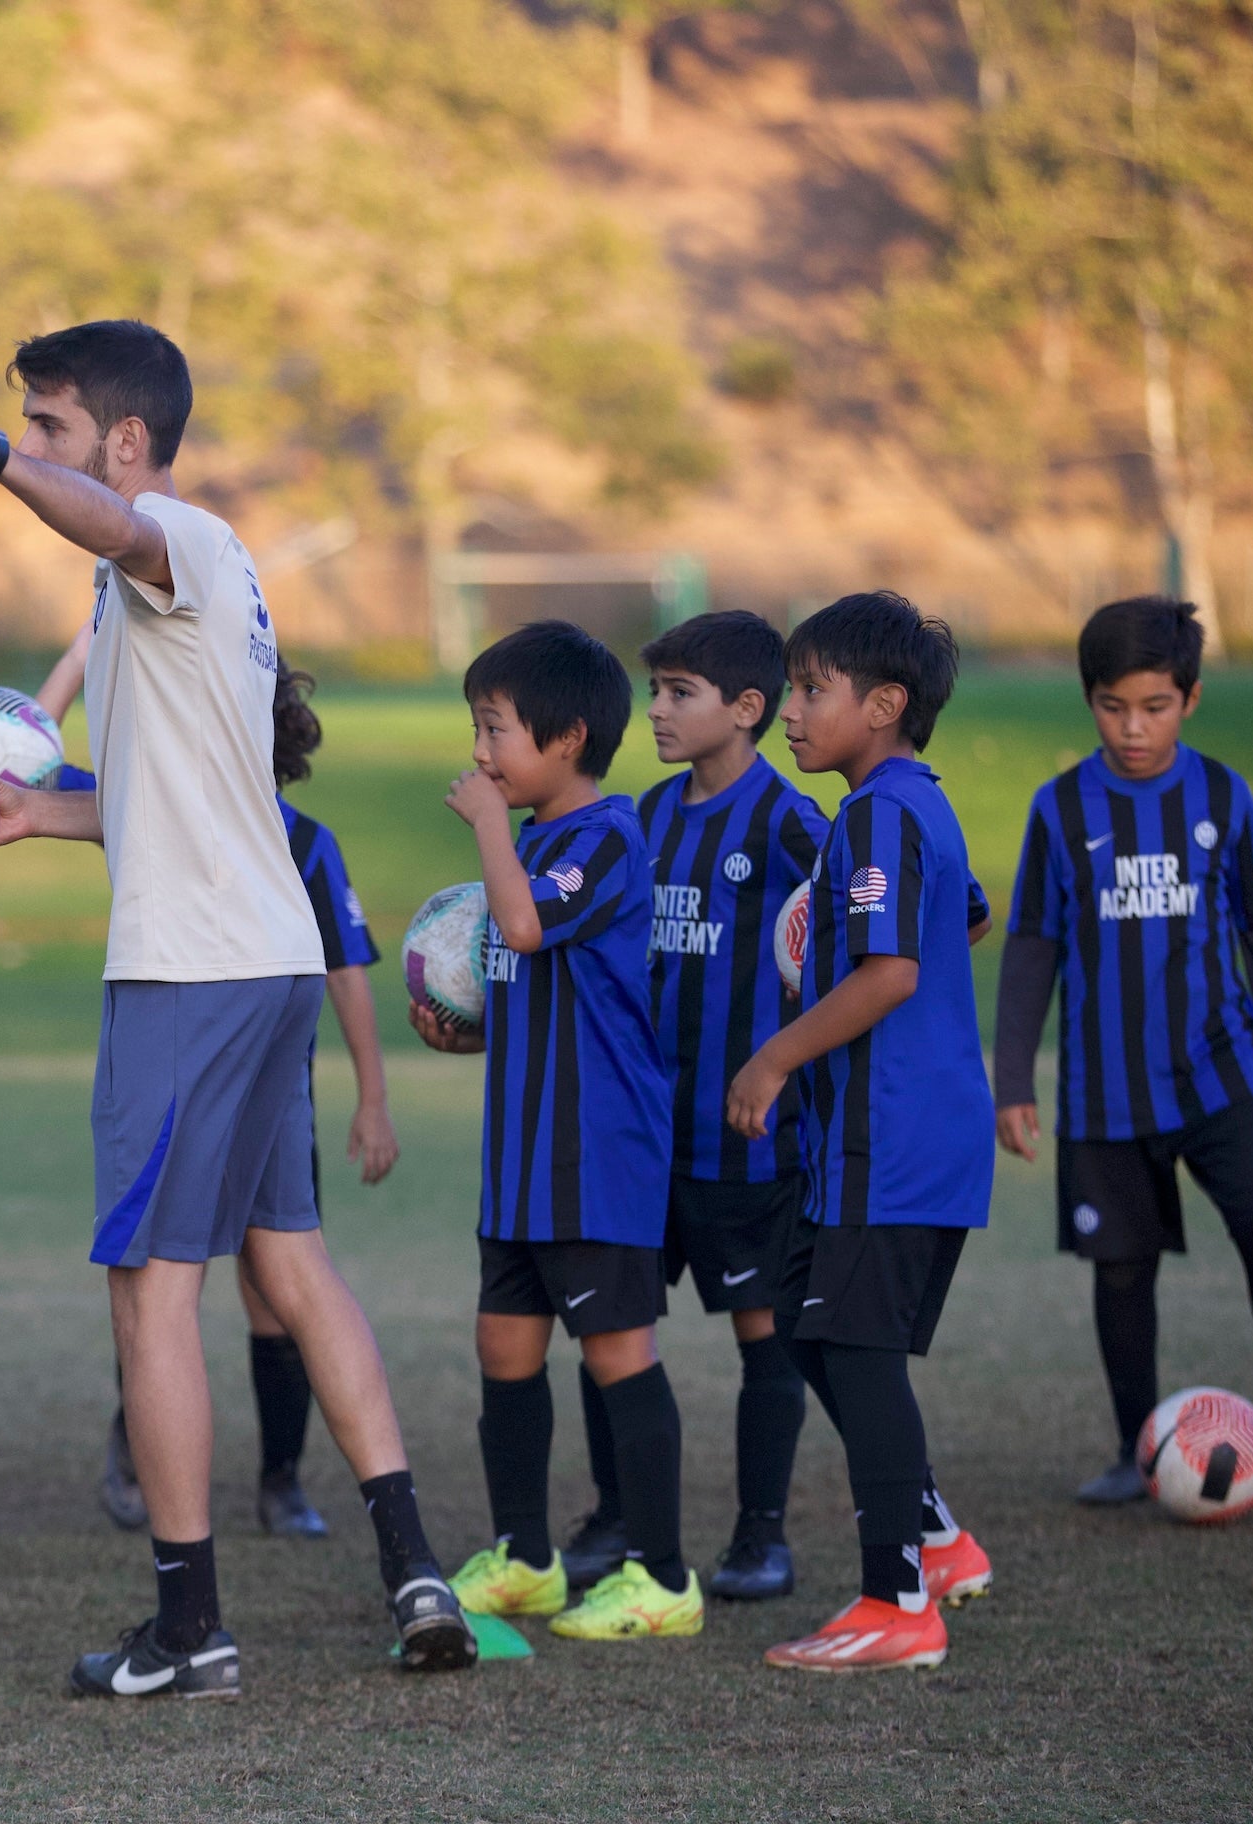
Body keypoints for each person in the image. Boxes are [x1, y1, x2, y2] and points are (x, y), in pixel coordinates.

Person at [0, 320, 475, 1698]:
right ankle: (414, 1565)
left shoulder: (176, 539)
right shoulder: (144, 587)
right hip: (260, 961)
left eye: (52, 426)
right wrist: (41, 811)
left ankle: (190, 1627)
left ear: (130, 443)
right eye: (23, 427)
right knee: (288, 1260)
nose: (36, 445)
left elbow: (101, 519)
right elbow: (181, 798)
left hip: (191, 978)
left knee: (152, 1296)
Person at [992, 596, 1253, 1503]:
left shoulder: (1224, 797)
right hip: (1103, 1091)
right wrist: (1011, 1079)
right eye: (1113, 706)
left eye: (1154, 706)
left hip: (1222, 1073)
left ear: (1189, 699)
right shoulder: (1060, 807)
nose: (1133, 727)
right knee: (1121, 1269)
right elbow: (1032, 943)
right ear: (1090, 700)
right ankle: (1134, 1448)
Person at [41, 645, 403, 1540]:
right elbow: (30, 761)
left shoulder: (307, 845)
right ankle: (138, 1453)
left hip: (262, 1081)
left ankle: (279, 1483)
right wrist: (81, 659)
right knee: (169, 1284)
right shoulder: (146, 807)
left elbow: (347, 973)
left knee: (255, 1285)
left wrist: (372, 1097)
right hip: (200, 1064)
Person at [409, 620, 701, 1644]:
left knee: (620, 1352)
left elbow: (528, 926)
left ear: (568, 737)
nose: (480, 753)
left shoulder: (605, 839)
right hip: (523, 1164)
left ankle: (662, 1576)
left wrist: (489, 825)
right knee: (504, 1346)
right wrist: (465, 1031)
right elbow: (533, 984)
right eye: (477, 730)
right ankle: (528, 1559)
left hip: (596, 1159)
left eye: (495, 730)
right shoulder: (538, 846)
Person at [722, 591, 995, 1674]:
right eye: (790, 688)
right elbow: (966, 911)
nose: (790, 711)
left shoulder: (881, 814)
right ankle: (934, 1536)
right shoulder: (897, 809)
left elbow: (894, 970)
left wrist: (777, 1052)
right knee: (806, 1321)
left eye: (810, 690)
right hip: (870, 1142)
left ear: (884, 705)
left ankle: (898, 1603)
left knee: (857, 1350)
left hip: (897, 1135)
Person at [622, 609, 829, 1603]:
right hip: (640, 1136)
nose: (656, 710)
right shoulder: (646, 819)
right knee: (616, 1327)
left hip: (745, 1143)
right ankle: (618, 1519)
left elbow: (931, 915)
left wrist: (792, 1055)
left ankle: (762, 1537)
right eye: (654, 689)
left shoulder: (792, 823)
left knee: (764, 1337)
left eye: (678, 693)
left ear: (747, 709)